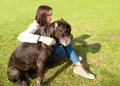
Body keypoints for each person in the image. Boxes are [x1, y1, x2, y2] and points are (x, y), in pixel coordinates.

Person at [18, 5, 95, 79]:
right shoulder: (35, 25)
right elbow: (21, 36)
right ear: (43, 15)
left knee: (66, 43)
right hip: (41, 54)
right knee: (64, 51)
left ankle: (78, 65)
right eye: (49, 15)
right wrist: (41, 38)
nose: (52, 17)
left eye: (52, 14)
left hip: (51, 47)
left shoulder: (49, 23)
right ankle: (74, 58)